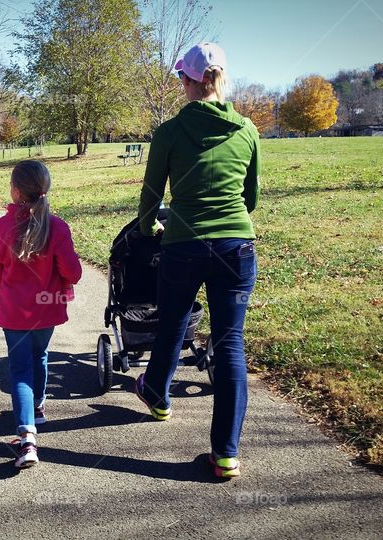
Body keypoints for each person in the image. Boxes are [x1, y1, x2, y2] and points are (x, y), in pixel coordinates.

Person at [133, 42, 260, 479]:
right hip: (235, 248)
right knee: (230, 344)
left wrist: (150, 229)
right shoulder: (247, 130)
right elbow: (251, 197)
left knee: (172, 323)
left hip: (183, 245)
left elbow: (151, 196)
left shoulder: (169, 132)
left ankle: (158, 395)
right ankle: (225, 453)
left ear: (189, 81)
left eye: (181, 79)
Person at [0, 160, 83, 468]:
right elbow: (73, 271)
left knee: (20, 371)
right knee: (40, 356)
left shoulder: (3, 227)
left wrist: (3, 288)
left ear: (14, 191)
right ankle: (38, 407)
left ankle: (27, 438)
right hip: (47, 310)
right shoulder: (58, 227)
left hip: (15, 313)